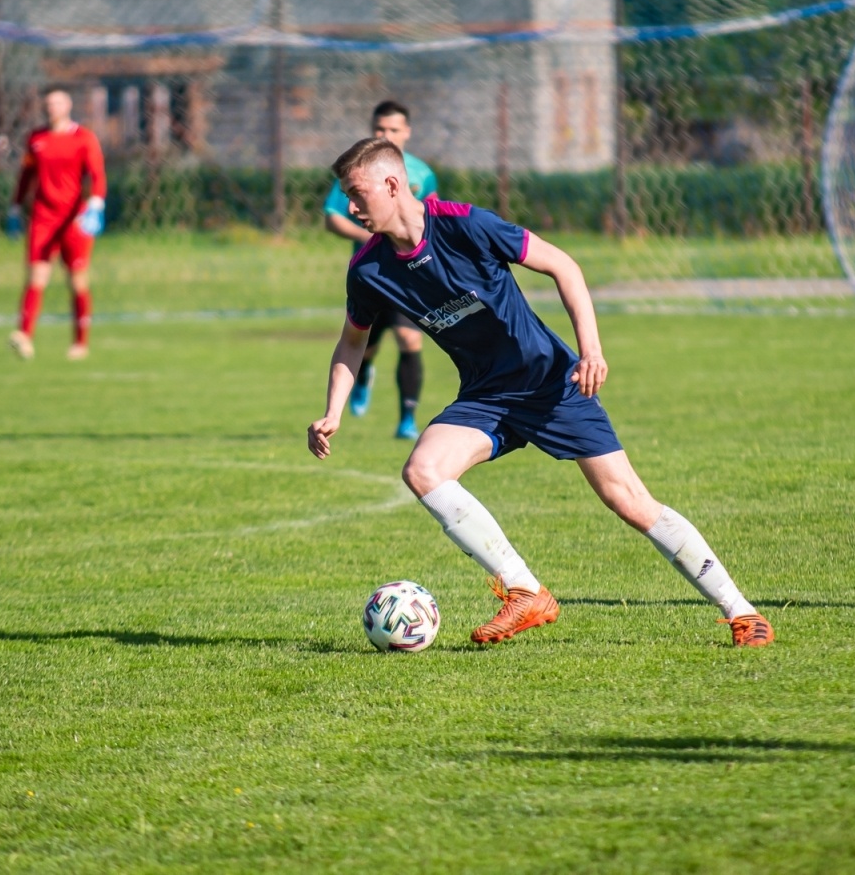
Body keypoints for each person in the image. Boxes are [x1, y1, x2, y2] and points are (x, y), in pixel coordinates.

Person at [308, 137, 773, 648]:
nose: (350, 207)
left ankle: (741, 611)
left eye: (357, 193)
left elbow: (563, 266)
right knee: (423, 470)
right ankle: (525, 590)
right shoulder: (370, 270)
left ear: (393, 185)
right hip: (485, 396)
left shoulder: (464, 224)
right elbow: (352, 342)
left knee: (629, 501)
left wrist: (590, 350)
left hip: (553, 384)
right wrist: (333, 412)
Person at [323, 101, 438, 439]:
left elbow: (428, 218)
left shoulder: (422, 173)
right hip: (374, 275)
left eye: (392, 130)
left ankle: (407, 420)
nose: (385, 134)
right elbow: (333, 217)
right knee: (363, 345)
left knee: (408, 338)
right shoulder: (357, 173)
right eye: (379, 129)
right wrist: (374, 236)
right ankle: (362, 378)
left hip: (409, 274)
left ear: (406, 133)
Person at [6, 86, 107, 361]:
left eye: (58, 102)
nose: (52, 108)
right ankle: (24, 337)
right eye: (48, 103)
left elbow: (97, 174)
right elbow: (26, 176)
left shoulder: (84, 138)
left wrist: (96, 204)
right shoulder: (36, 139)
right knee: (36, 275)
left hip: (75, 219)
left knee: (77, 280)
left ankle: (80, 342)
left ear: (68, 105)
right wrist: (15, 207)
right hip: (43, 217)